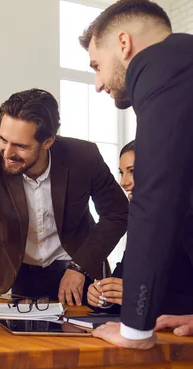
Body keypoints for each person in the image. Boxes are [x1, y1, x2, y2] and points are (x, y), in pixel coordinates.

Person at [0, 89, 128, 307]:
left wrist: (80, 267)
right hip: (19, 274)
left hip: (76, 273)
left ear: (48, 142)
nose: (7, 153)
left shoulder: (84, 157)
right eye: (3, 139)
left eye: (21, 146)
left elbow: (118, 213)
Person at [80, 0, 193, 348]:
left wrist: (134, 330)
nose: (98, 84)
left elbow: (156, 197)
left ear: (124, 44)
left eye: (97, 66)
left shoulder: (162, 67)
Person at [87, 141, 193, 314]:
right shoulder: (141, 225)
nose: (123, 182)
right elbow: (122, 289)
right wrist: (102, 297)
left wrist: (141, 298)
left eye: (132, 171)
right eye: (121, 172)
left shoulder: (187, 221)